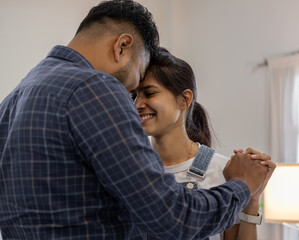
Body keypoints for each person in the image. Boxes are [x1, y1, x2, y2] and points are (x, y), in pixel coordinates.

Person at [0, 0, 269, 239]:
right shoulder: (94, 88)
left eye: (147, 90)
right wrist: (242, 185)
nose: (132, 97)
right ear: (122, 46)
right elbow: (172, 218)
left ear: (185, 99)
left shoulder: (11, 102)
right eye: (137, 80)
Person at [132, 47, 276, 240]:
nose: (137, 104)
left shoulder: (223, 170)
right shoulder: (129, 165)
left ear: (184, 100)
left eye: (149, 93)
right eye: (134, 95)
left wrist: (252, 198)